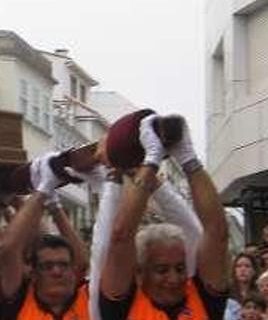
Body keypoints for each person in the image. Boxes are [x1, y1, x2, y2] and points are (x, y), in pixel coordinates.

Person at [99, 115, 230, 320]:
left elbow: (218, 233)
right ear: (140, 273)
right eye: (161, 270)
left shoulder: (202, 297)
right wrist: (151, 159)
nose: (174, 278)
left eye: (180, 268)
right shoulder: (122, 305)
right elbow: (121, 236)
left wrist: (188, 157)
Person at [0, 152, 93, 320]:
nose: (57, 272)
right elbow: (9, 249)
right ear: (33, 273)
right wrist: (43, 190)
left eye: (64, 264)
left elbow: (81, 261)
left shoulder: (85, 297)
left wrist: (54, 205)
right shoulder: (18, 299)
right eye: (47, 266)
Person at [225, 253, 260, 320]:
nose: (243, 269)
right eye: (238, 266)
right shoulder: (226, 292)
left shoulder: (259, 292)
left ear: (254, 271)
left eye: (247, 266)